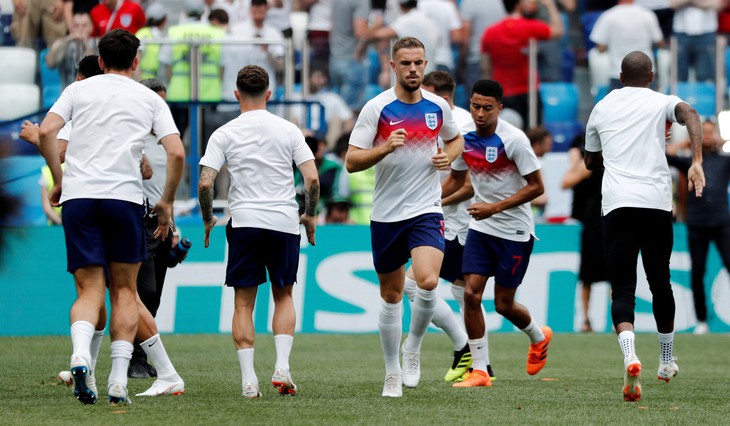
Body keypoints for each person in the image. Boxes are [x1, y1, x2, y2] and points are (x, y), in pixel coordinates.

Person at [37, 29, 185, 405]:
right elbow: (177, 153)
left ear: (100, 61)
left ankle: (80, 356)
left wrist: (59, 179)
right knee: (124, 291)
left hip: (81, 198)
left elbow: (47, 132)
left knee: (88, 290)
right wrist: (166, 201)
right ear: (136, 63)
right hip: (123, 199)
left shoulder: (78, 91)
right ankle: (118, 380)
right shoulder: (148, 97)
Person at [345, 36, 464, 398]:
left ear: (425, 65)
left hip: (426, 209)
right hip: (386, 215)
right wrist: (385, 147)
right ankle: (392, 371)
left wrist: (449, 156)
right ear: (393, 66)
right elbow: (351, 161)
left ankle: (413, 347)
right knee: (392, 295)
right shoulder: (376, 108)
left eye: (419, 63)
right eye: (406, 63)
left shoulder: (438, 107)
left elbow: (455, 139)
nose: (413, 69)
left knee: (428, 281)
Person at [584, 51, 705, 402]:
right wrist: (696, 161)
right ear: (651, 75)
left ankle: (629, 354)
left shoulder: (602, 106)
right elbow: (692, 115)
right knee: (659, 281)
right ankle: (666, 361)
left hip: (618, 203)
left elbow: (592, 161)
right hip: (655, 204)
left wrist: (615, 146)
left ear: (620, 77)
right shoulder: (663, 102)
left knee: (622, 288)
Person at [198, 64, 319, 399]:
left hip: (245, 222)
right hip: (283, 221)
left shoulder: (223, 133)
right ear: (269, 94)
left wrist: (209, 218)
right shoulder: (289, 130)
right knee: (283, 295)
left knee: (242, 305)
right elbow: (311, 178)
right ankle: (282, 367)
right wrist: (309, 215)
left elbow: (206, 182)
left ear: (236, 94)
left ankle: (249, 380)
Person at [442, 79, 552, 388]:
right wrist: (428, 200)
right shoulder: (464, 141)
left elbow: (537, 187)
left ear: (499, 109)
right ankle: (480, 371)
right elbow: (456, 181)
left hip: (514, 230)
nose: (479, 113)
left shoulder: (514, 140)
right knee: (470, 293)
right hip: (480, 228)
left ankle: (538, 336)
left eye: (487, 108)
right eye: (475, 106)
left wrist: (495, 207)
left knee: (504, 304)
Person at [406, 70, 495, 383]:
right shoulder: (429, 120)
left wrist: (431, 202)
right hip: (442, 219)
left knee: (453, 291)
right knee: (459, 292)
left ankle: (470, 353)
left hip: (459, 221)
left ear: (441, 97)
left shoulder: (467, 127)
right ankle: (472, 355)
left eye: (425, 94)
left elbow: (472, 183)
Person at [666, 119, 730, 335]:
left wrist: (723, 141)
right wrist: (687, 142)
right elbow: (666, 155)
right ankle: (701, 320)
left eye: (712, 133)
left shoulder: (724, 160)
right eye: (705, 133)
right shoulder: (690, 161)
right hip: (697, 223)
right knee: (698, 271)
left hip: (722, 222)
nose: (709, 137)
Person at [481, 0, 563, 129]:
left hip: (501, 93)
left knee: (503, 136)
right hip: (527, 93)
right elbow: (558, 31)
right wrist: (550, 5)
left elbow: (485, 68)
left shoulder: (490, 32)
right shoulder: (530, 27)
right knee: (531, 136)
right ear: (518, 5)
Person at [561, 135, 607, 333]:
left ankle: (618, 319)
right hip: (591, 223)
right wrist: (576, 164)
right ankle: (586, 319)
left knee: (615, 273)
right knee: (587, 274)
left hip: (610, 219)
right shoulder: (587, 161)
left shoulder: (613, 159)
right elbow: (565, 183)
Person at [589, 0, 664, 92]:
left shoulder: (608, 15)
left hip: (618, 73)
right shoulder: (647, 14)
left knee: (617, 106)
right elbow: (660, 43)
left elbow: (600, 48)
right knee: (651, 106)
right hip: (646, 74)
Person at [45, 10, 97, 89]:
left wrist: (85, 44)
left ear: (91, 27)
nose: (80, 29)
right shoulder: (63, 44)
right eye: (76, 26)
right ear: (71, 27)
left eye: (84, 25)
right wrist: (68, 39)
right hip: (68, 94)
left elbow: (95, 69)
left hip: (91, 93)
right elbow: (50, 64)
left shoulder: (97, 44)